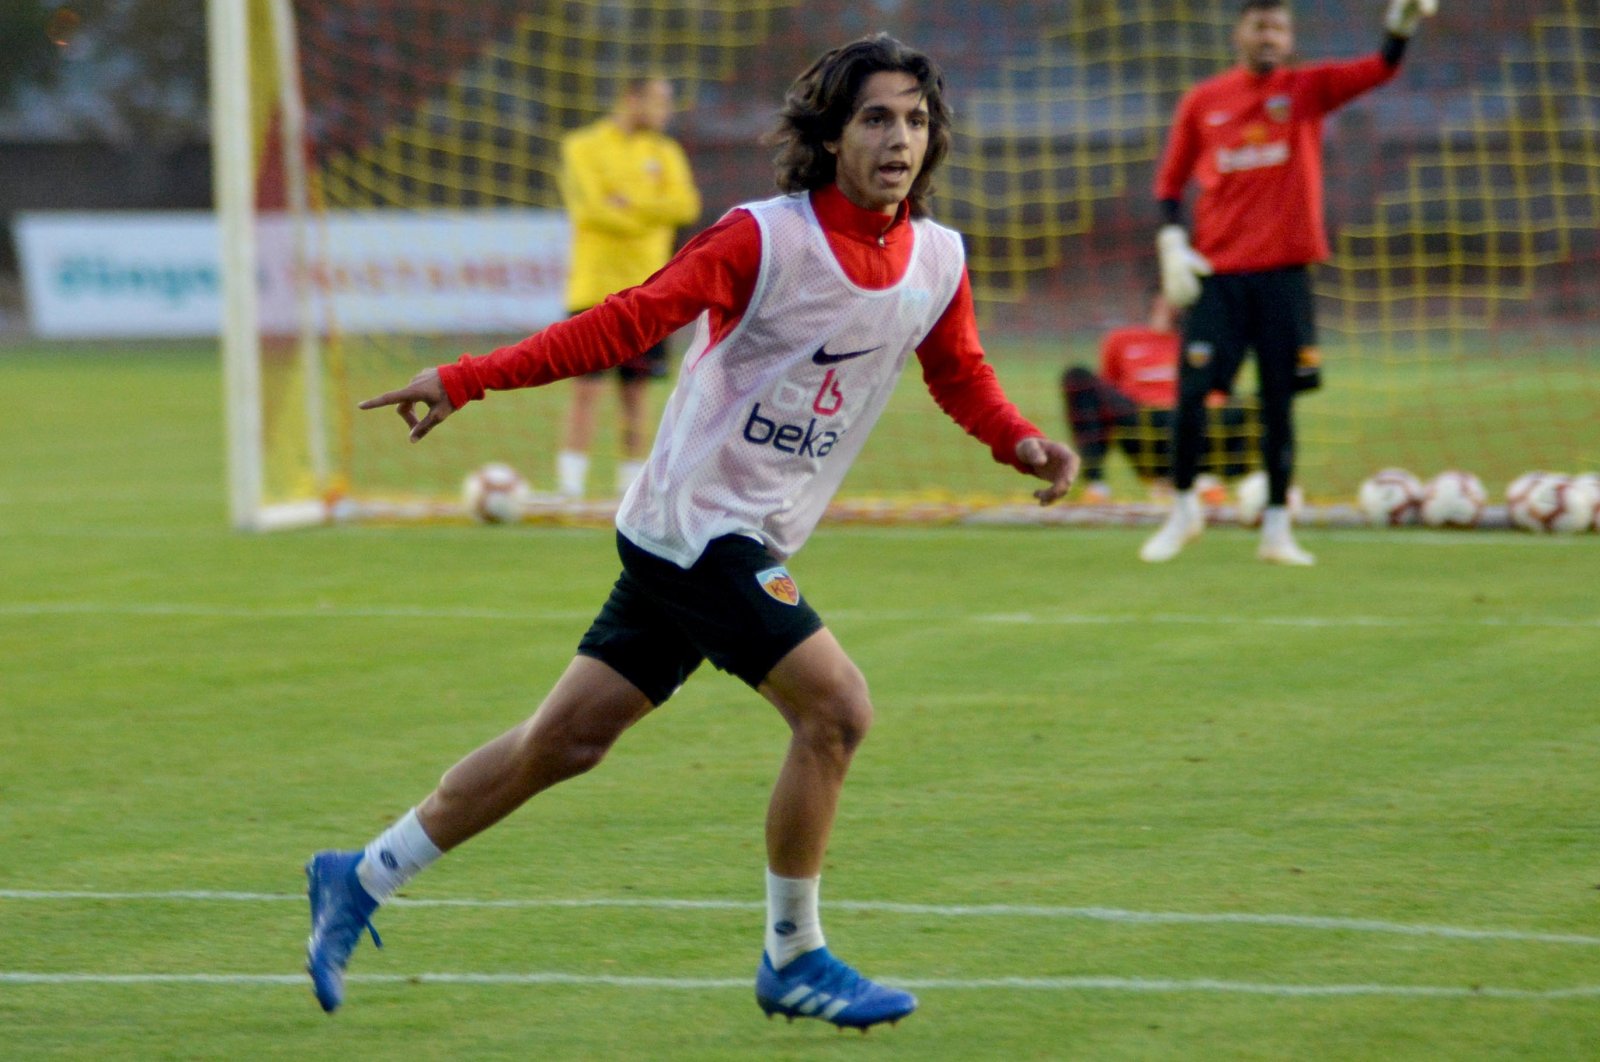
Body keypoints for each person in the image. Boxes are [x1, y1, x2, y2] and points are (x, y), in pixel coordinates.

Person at [305, 33, 1080, 1031]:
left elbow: (957, 371)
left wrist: (1018, 443)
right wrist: (465, 377)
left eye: (917, 120)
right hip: (696, 525)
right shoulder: (763, 237)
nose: (900, 138)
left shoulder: (938, 257)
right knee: (836, 710)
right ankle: (793, 954)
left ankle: (359, 875)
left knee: (565, 742)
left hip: (743, 529)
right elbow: (624, 321)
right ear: (831, 134)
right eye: (876, 118)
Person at [1140, 0, 1437, 565]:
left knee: (1279, 405)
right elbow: (1169, 185)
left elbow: (1380, 68)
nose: (1269, 35)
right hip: (1219, 280)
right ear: (1240, 33)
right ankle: (1182, 512)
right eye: (1259, 25)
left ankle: (1276, 531)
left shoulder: (1308, 89)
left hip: (1284, 280)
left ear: (1289, 36)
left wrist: (1402, 25)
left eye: (1278, 26)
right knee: (1192, 397)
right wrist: (1173, 245)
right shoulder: (1203, 101)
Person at [556, 76, 701, 499]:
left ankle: (630, 491)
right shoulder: (582, 146)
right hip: (593, 289)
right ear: (631, 99)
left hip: (649, 292)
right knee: (585, 390)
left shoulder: (665, 151)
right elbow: (591, 211)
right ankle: (570, 488)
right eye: (659, 101)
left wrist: (627, 203)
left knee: (636, 396)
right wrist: (649, 211)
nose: (665, 111)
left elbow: (685, 206)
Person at [1062, 291, 1255, 502]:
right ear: (1158, 298)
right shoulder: (1121, 339)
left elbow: (1224, 390)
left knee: (1267, 401)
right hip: (1142, 423)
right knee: (1077, 377)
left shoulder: (1205, 341)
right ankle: (1096, 486)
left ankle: (1209, 479)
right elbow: (1108, 390)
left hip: (1198, 424)